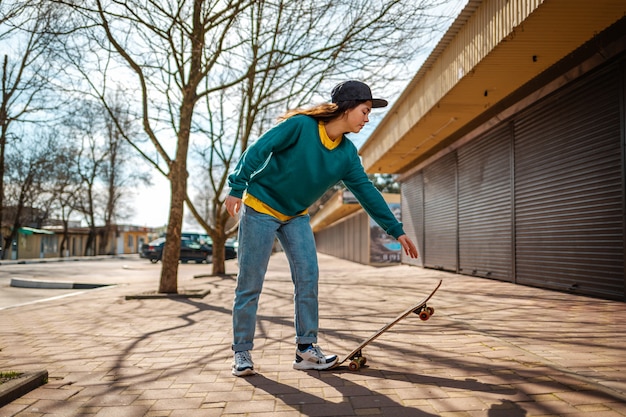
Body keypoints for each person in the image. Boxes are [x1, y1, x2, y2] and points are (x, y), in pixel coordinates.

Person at [225, 80, 419, 377]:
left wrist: (396, 229)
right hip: (261, 207)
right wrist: (237, 185)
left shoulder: (346, 155)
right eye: (365, 111)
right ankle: (241, 351)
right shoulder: (301, 126)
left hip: (296, 215)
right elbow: (260, 148)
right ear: (346, 107)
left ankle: (305, 350)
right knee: (250, 283)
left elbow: (367, 193)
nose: (367, 119)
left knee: (308, 277)